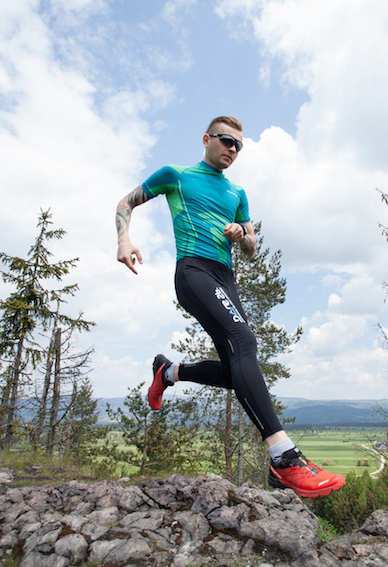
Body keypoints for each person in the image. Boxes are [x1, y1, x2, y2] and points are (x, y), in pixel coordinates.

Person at [115, 116, 345, 499]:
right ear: (207, 139)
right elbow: (126, 202)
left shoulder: (237, 193)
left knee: (234, 371)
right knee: (245, 341)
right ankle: (283, 457)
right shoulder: (176, 175)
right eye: (226, 140)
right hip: (193, 270)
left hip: (226, 279)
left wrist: (242, 235)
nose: (233, 149)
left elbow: (252, 247)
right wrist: (124, 239)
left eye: (239, 145)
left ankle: (168, 372)